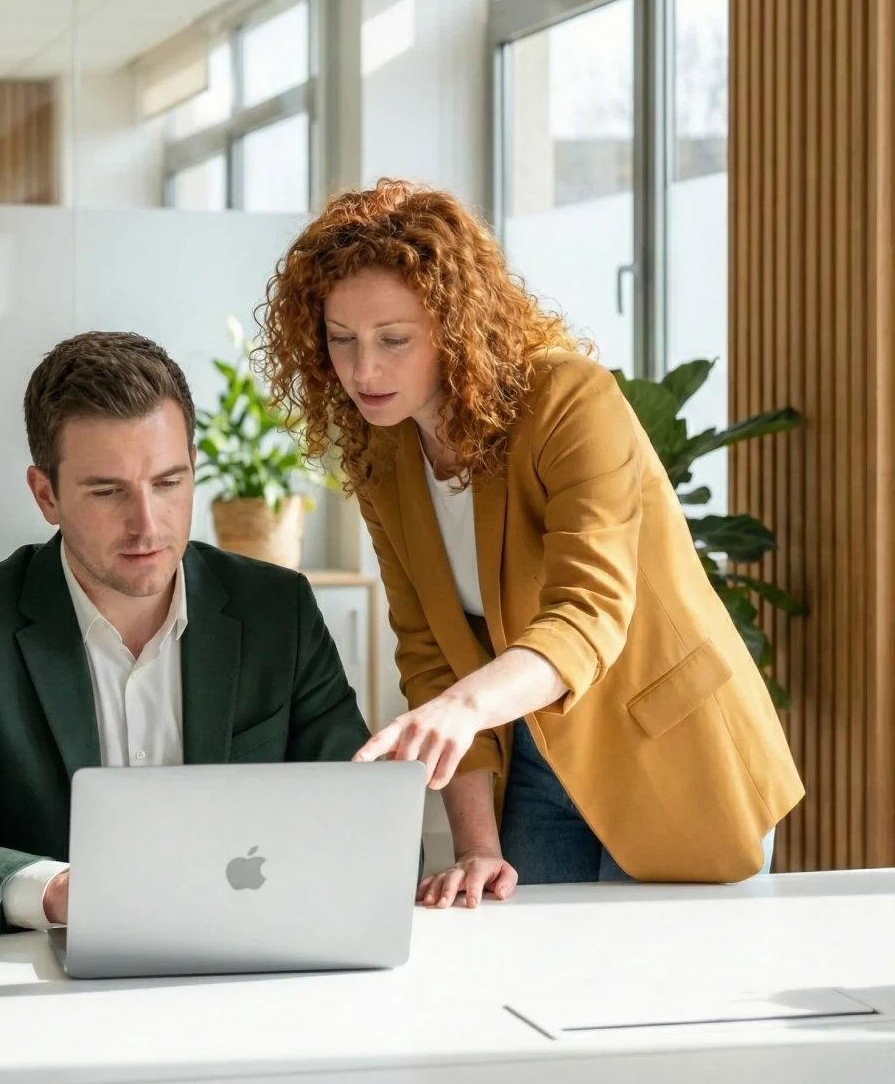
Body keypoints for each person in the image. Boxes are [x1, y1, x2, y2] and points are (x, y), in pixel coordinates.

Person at [257, 178, 804, 910]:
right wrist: (477, 846)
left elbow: (588, 614)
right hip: (531, 760)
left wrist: (462, 709)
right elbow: (430, 652)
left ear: (453, 327)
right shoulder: (382, 453)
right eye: (341, 340)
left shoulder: (571, 401)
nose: (363, 371)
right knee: (535, 991)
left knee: (667, 1012)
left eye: (393, 340)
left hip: (673, 752)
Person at [0, 331, 373, 934]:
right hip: (49, 988)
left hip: (252, 964)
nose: (148, 525)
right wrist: (53, 890)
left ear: (195, 469)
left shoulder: (279, 612)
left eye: (169, 483)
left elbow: (378, 835)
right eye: (108, 491)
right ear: (47, 495)